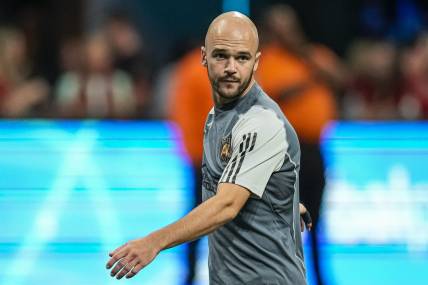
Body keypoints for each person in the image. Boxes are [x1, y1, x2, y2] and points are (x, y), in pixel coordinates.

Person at [106, 11, 310, 284]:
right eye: (221, 56)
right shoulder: (218, 117)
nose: (230, 67)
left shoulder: (260, 122)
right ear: (204, 57)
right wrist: (278, 203)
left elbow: (226, 205)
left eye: (242, 58)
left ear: (256, 62)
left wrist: (153, 242)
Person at [256, 5, 348, 285]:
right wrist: (309, 81)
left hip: (314, 151)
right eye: (278, 26)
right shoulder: (266, 61)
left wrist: (304, 55)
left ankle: (319, 278)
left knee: (316, 222)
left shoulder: (316, 55)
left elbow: (341, 79)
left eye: (289, 25)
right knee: (281, 223)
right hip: (280, 153)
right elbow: (268, 96)